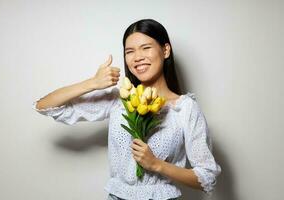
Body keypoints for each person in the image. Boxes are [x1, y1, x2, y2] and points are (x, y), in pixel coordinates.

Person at [32, 19, 221, 200]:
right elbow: (45, 105)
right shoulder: (120, 99)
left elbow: (206, 176)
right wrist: (93, 83)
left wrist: (156, 165)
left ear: (165, 50)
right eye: (129, 51)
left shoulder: (185, 108)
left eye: (146, 48)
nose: (137, 57)